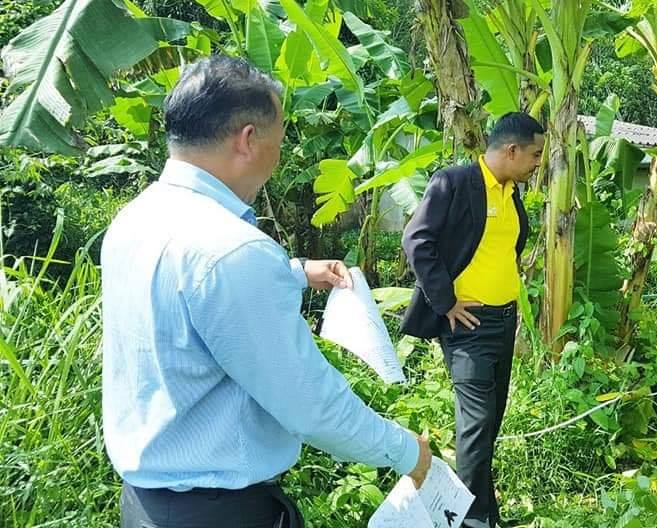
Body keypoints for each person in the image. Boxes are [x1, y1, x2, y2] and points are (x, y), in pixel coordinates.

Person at [101, 56, 430, 528]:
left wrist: (296, 271)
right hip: (220, 512)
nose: (278, 156)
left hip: (147, 503)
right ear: (249, 139)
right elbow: (310, 404)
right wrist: (405, 452)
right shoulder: (231, 251)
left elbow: (191, 294)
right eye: (278, 141)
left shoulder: (136, 218)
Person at [401, 112, 545, 528]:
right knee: (477, 426)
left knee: (489, 423)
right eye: (534, 154)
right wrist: (445, 301)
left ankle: (484, 513)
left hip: (503, 321)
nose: (538, 162)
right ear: (511, 150)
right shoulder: (456, 182)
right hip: (469, 326)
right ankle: (467, 521)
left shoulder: (510, 192)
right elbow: (417, 239)